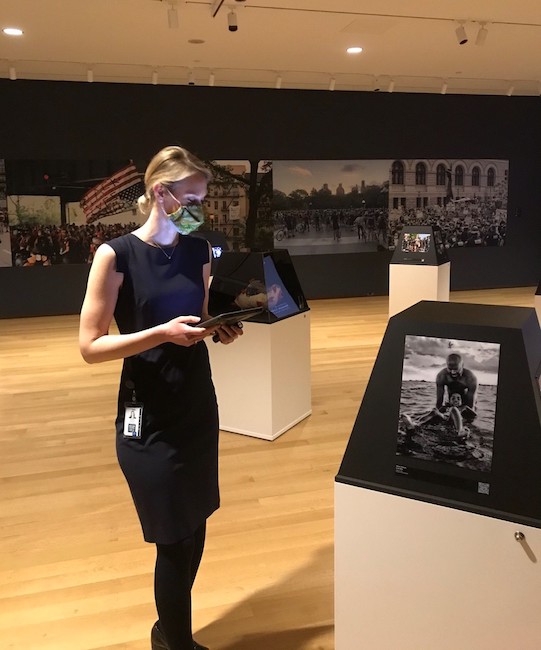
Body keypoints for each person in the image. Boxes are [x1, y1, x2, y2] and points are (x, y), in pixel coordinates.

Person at [79, 145, 243, 650]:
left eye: (203, 198)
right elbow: (90, 345)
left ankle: (167, 629)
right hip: (144, 411)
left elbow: (199, 315)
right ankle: (177, 642)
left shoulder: (199, 251)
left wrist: (220, 329)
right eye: (192, 197)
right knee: (172, 538)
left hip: (196, 402)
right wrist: (160, 333)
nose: (200, 208)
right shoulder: (116, 254)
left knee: (194, 526)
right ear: (161, 193)